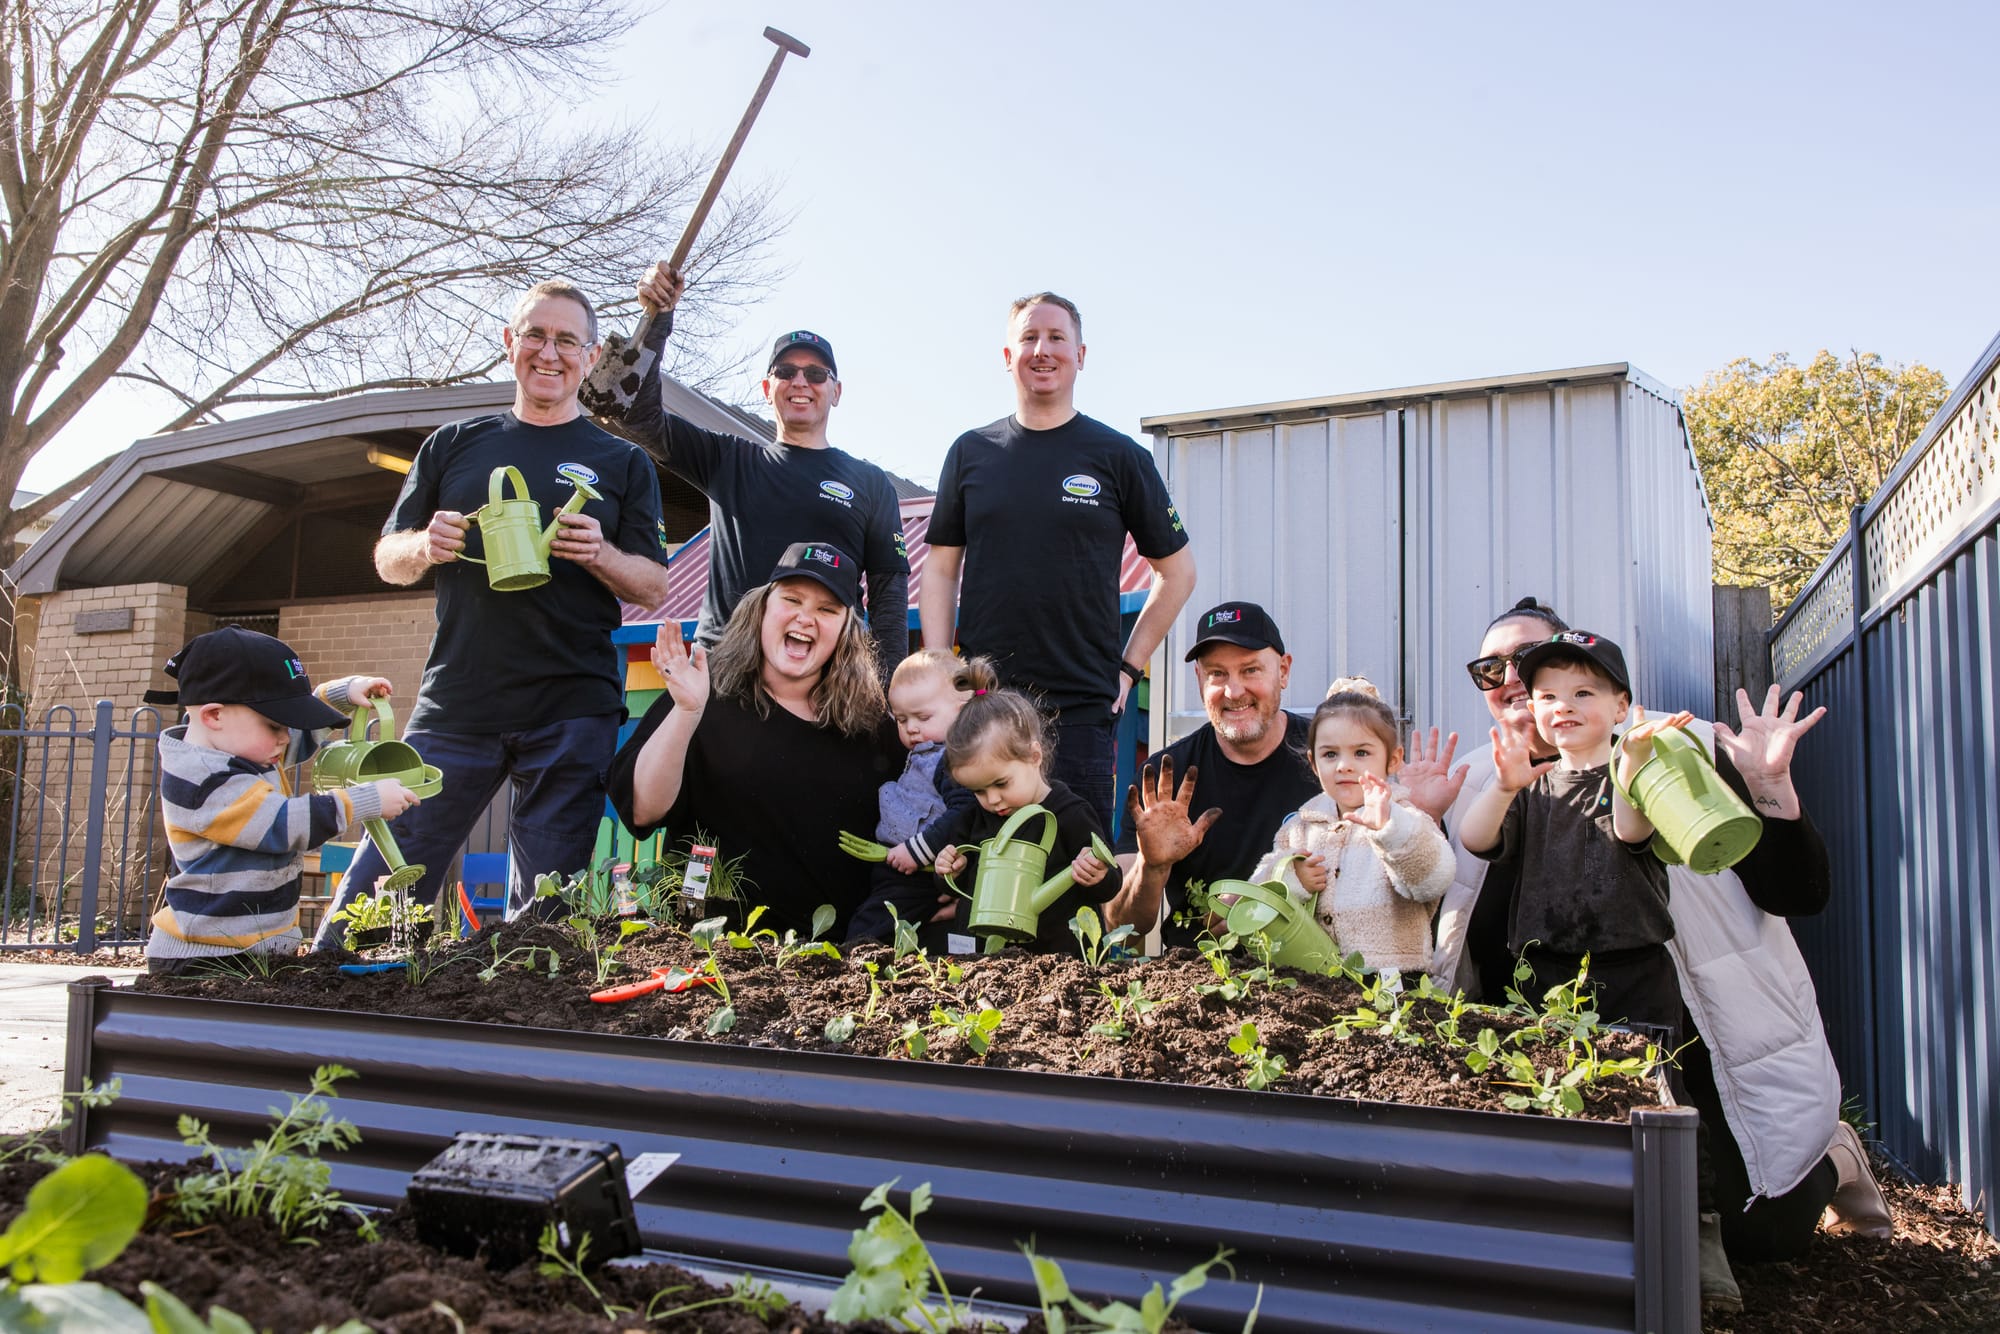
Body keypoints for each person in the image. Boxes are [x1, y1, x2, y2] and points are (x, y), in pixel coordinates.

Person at [1427, 603, 1891, 1310]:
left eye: (1539, 666)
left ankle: (1830, 1155)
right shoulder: (1480, 776)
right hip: (1541, 1017)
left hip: (1698, 1035)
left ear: (1614, 696)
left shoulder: (1672, 748)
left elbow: (1796, 891)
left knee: (1760, 1235)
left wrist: (1768, 789)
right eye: (1496, 670)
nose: (1514, 682)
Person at [315, 280, 672, 943]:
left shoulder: (621, 461)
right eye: (535, 334)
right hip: (459, 704)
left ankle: (510, 1040)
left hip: (573, 709)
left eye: (568, 340)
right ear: (510, 344)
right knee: (377, 899)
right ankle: (335, 1014)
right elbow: (387, 559)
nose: (549, 352)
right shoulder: (453, 444)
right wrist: (425, 545)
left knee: (540, 924)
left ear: (591, 357)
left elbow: (653, 585)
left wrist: (599, 554)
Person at [921, 292, 1197, 833]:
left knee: (1078, 883)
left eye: (1055, 338)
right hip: (985, 703)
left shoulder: (1119, 458)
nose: (1041, 350)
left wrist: (1128, 667)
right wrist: (939, 667)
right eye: (1028, 337)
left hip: (1080, 712)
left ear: (1081, 354)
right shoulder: (970, 452)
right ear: (1007, 356)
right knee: (970, 877)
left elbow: (1179, 573)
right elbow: (939, 568)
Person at [1100, 602, 1462, 951]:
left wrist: (1423, 815)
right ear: (1199, 678)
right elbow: (1123, 928)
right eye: (1217, 673)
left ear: (1283, 671)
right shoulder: (1164, 779)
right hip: (1202, 981)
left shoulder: (1335, 756)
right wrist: (1152, 866)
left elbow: (1417, 884)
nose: (1234, 690)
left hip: (1323, 979)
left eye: (1250, 670)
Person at [625, 264, 909, 676]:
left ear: (836, 392)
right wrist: (656, 320)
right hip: (725, 673)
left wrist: (887, 696)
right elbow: (635, 415)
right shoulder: (729, 459)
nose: (800, 382)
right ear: (766, 387)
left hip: (824, 683)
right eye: (786, 372)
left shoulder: (869, 482)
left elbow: (889, 597)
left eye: (816, 374)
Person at [607, 542, 902, 938]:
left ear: (847, 630)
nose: (806, 618)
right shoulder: (701, 693)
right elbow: (642, 811)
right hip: (712, 953)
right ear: (761, 609)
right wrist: (687, 712)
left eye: (827, 609)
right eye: (792, 599)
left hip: (836, 965)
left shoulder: (874, 727)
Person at [1456, 630, 1692, 1035]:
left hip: (1632, 975)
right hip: (1543, 974)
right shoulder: (1534, 783)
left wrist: (1633, 763)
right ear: (1533, 708)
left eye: (1583, 693)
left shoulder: (1641, 772)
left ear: (1621, 706)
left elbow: (1631, 832)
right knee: (1554, 1087)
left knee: (1642, 1086)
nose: (1564, 705)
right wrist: (1504, 786)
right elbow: (1475, 840)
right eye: (1548, 697)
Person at [143, 628, 419, 974]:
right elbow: (282, 824)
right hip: (206, 957)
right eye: (274, 725)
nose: (285, 738)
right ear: (214, 715)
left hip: (251, 950)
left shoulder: (243, 753)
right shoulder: (205, 781)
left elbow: (300, 736)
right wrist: (363, 801)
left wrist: (340, 695)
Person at [1248, 678, 1452, 976]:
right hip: (1315, 981)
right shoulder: (1301, 827)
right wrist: (1292, 877)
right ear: (1314, 763)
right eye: (1330, 754)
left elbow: (1435, 880)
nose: (1344, 765)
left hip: (1393, 982)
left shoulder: (1405, 818)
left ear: (1393, 759)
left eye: (1361, 753)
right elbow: (1260, 893)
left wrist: (1388, 830)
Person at [931, 686, 1112, 953]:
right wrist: (950, 870)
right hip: (982, 960)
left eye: (1001, 783)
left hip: (1058, 959)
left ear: (1034, 756)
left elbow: (1109, 885)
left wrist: (1098, 875)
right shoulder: (973, 817)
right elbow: (957, 885)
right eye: (978, 791)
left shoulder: (1070, 813)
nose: (992, 800)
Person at [845, 649, 983, 946]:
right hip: (903, 867)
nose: (911, 728)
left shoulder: (951, 760)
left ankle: (855, 966)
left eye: (923, 717)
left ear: (962, 709)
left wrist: (918, 851)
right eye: (901, 719)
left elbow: (965, 809)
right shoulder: (927, 753)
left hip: (920, 871)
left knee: (870, 931)